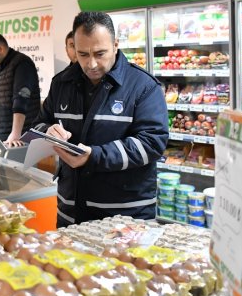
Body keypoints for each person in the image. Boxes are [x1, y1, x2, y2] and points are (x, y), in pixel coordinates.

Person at [36, 11, 168, 226]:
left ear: (115, 45)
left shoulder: (143, 86)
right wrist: (48, 131)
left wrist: (94, 156)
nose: (92, 64)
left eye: (100, 53)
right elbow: (40, 123)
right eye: (83, 54)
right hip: (71, 211)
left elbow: (153, 143)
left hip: (125, 218)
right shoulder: (61, 83)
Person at [0, 33, 41, 146]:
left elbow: (21, 100)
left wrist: (16, 133)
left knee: (17, 164)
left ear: (0, 48)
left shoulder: (22, 64)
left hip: (19, 138)